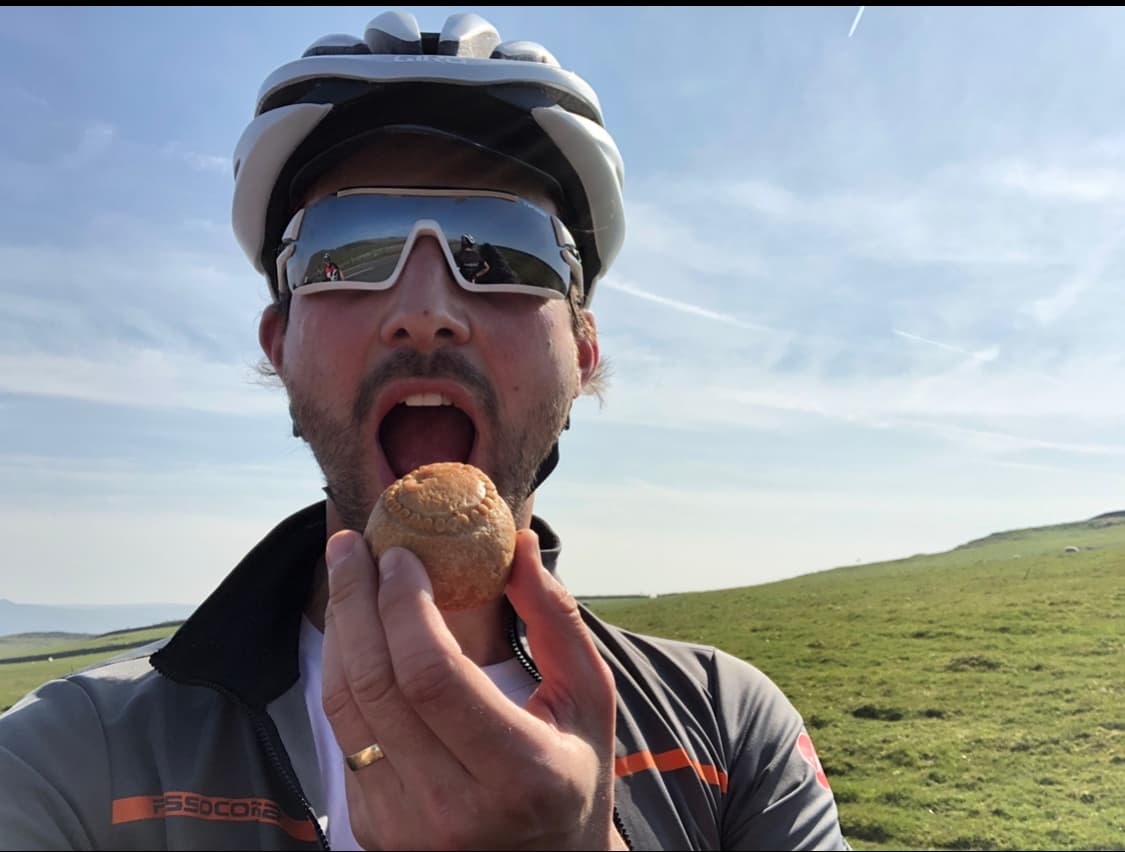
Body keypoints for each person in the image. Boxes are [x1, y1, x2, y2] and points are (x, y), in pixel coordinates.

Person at [0, 10, 851, 851]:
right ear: (279, 346)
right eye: (346, 247)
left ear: (584, 352)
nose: (424, 310)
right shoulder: (67, 760)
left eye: (507, 249)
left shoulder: (725, 728)